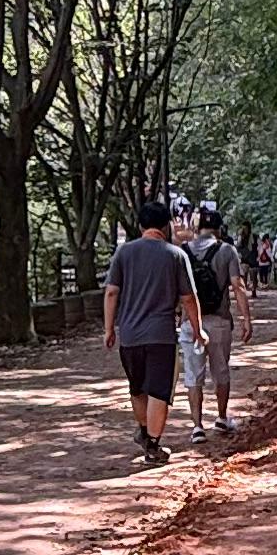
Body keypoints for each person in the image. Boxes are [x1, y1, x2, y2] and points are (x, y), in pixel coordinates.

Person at [103, 194, 202, 465]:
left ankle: (145, 432)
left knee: (137, 388)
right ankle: (153, 446)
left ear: (139, 225)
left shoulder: (124, 252)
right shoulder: (175, 255)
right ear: (167, 226)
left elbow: (112, 292)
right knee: (159, 390)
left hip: (130, 335)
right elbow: (188, 298)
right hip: (161, 335)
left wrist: (109, 328)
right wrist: (198, 329)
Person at [184, 201, 253, 436]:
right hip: (220, 320)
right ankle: (222, 418)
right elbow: (238, 285)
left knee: (194, 375)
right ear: (219, 229)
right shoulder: (227, 251)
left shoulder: (183, 251)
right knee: (221, 371)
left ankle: (196, 426)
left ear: (198, 229)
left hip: (190, 322)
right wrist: (246, 319)